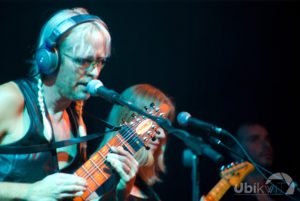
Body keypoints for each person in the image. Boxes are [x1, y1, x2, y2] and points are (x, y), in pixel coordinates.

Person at [0, 8, 138, 201]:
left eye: (100, 62)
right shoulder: (10, 99)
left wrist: (121, 192)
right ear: (49, 58)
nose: (94, 72)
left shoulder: (75, 115)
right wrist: (29, 192)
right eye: (83, 61)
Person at [97, 84, 175, 201]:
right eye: (155, 123)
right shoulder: (95, 179)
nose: (162, 134)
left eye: (163, 126)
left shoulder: (146, 190)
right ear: (130, 119)